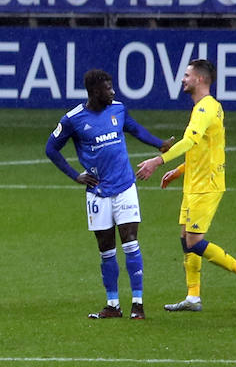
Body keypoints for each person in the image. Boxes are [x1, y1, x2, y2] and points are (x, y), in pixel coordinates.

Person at [135, 58, 236, 311]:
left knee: (194, 242)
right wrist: (180, 170)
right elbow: (207, 149)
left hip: (207, 185)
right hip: (195, 182)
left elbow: (188, 141)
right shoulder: (206, 107)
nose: (182, 79)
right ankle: (193, 297)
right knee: (185, 239)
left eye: (186, 75)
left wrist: (158, 161)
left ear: (200, 79)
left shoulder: (205, 109)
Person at [45, 68, 175, 320]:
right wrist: (75, 175)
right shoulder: (73, 119)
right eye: (108, 88)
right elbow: (51, 149)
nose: (113, 91)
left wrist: (159, 144)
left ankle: (138, 304)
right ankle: (113, 305)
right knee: (106, 248)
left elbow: (136, 130)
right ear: (94, 91)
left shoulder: (118, 109)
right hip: (97, 191)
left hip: (125, 186)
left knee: (130, 241)